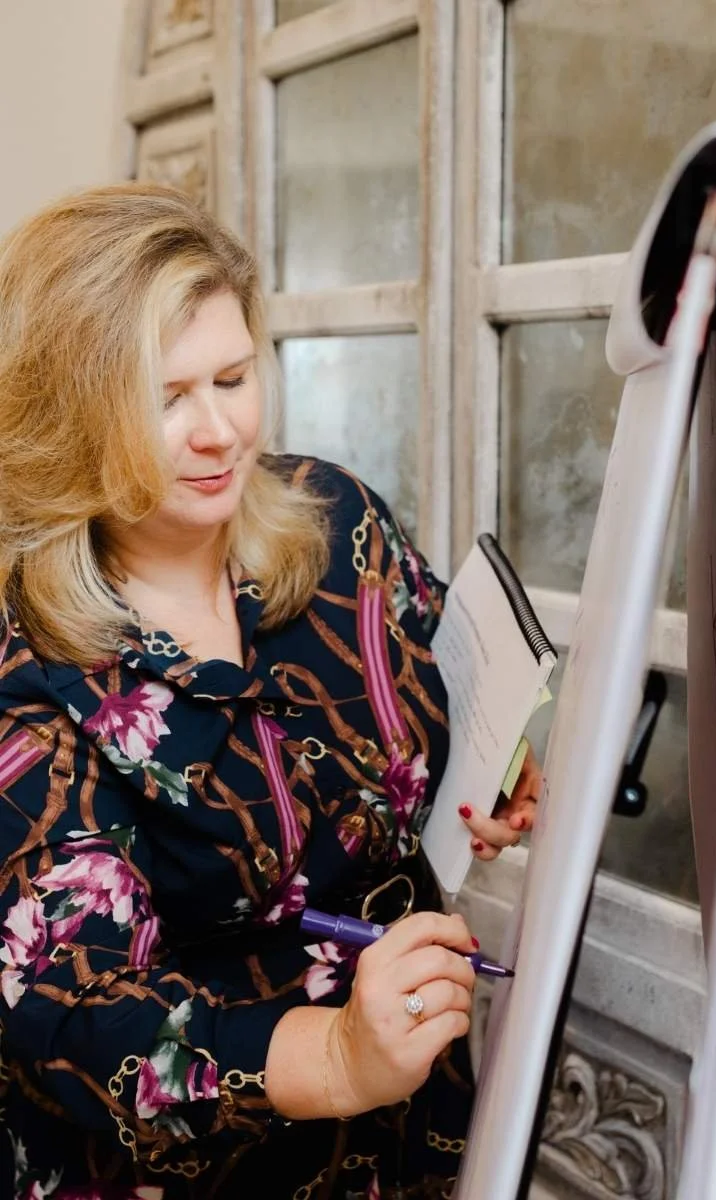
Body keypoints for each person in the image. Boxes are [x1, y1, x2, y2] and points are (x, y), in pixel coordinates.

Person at [0, 184, 541, 1200]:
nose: (218, 433)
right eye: (165, 399)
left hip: (409, 1132)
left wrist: (498, 771)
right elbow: (70, 1012)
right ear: (71, 415)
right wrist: (336, 1056)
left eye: (234, 377)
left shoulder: (339, 521)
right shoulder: (28, 672)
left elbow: (439, 689)